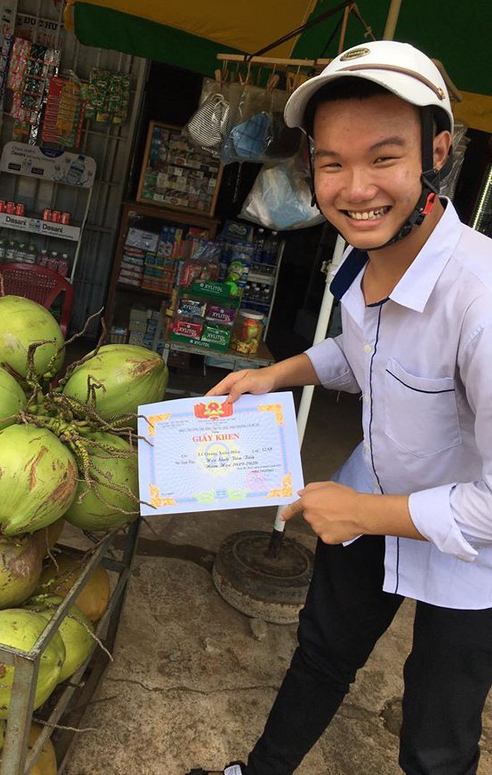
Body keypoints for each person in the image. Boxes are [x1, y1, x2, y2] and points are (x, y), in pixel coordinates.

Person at [187, 41, 492, 775]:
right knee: (322, 653)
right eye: (331, 162)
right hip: (373, 490)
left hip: (471, 542)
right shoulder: (359, 260)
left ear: (437, 152)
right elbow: (364, 356)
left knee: (437, 730)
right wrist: (279, 372)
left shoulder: (480, 298)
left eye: (384, 157)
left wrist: (362, 515)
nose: (355, 188)